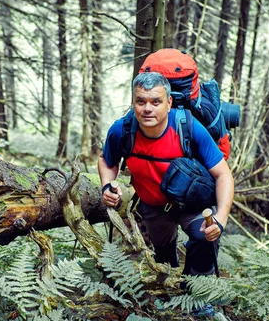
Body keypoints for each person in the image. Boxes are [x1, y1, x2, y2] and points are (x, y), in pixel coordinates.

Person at [98, 71, 234, 278]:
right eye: (141, 101)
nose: (147, 109)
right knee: (163, 256)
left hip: (193, 203)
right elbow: (107, 160)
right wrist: (107, 185)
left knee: (204, 238)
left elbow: (223, 175)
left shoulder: (188, 128)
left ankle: (197, 297)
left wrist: (220, 218)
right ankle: (169, 290)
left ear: (169, 103)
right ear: (133, 103)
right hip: (153, 208)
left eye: (156, 102)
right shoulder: (122, 131)